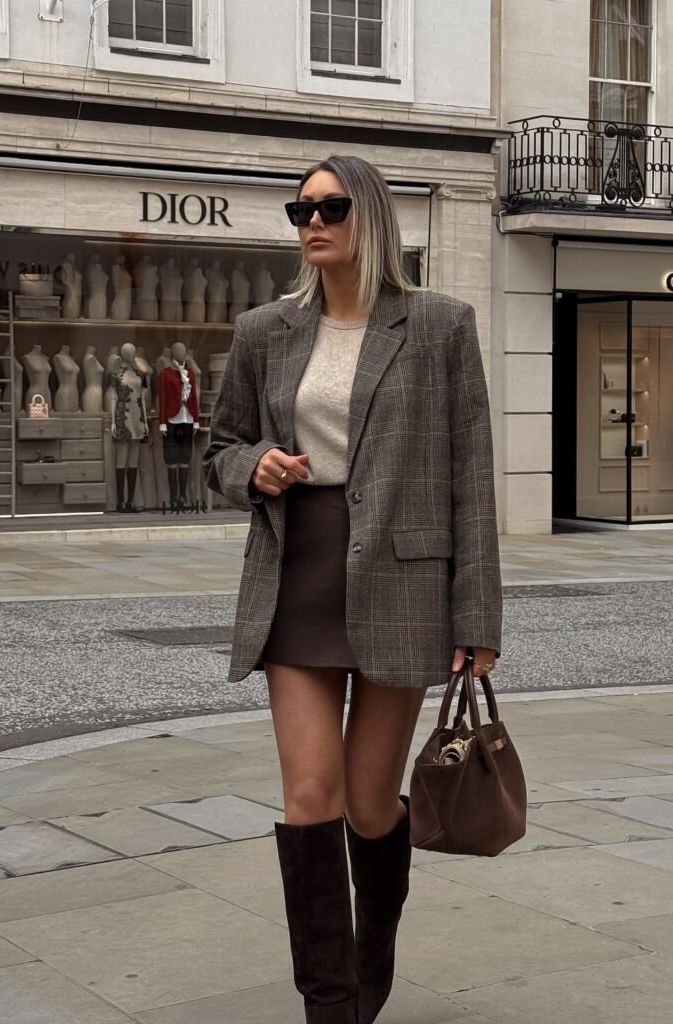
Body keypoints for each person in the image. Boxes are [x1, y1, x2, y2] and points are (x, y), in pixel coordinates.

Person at [203, 154, 502, 1024]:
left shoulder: (440, 324)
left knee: (372, 804)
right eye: (300, 209)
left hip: (403, 580)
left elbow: (470, 477)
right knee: (309, 799)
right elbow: (218, 446)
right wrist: (252, 465)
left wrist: (476, 614)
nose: (312, 222)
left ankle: (371, 962)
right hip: (296, 572)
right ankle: (329, 1008)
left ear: (369, 215)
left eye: (329, 206)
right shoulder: (265, 329)